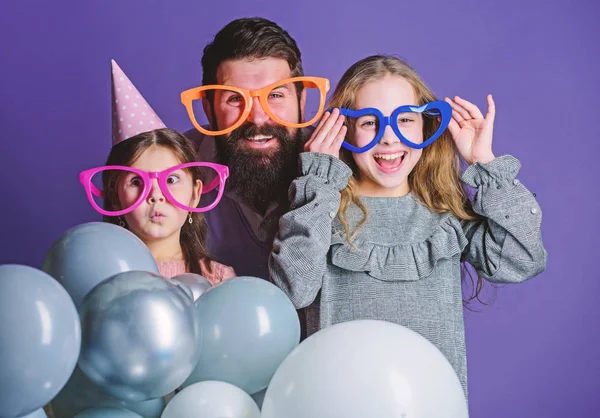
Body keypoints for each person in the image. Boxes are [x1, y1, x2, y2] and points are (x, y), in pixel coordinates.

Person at [268, 54, 547, 398]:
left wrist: (485, 164)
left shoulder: (445, 214)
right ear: (345, 130)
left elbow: (522, 260)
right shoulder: (322, 207)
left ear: (426, 125)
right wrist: (318, 183)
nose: (389, 137)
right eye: (370, 121)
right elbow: (292, 291)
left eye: (405, 119)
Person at [182, 17, 328, 280]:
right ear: (208, 108)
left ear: (301, 100)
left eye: (275, 95)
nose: (258, 118)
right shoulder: (174, 168)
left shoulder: (335, 164)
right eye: (235, 99)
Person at [80, 60, 235, 284]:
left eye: (171, 179)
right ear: (115, 198)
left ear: (195, 193)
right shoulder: (96, 277)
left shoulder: (219, 279)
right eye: (136, 181)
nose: (155, 194)